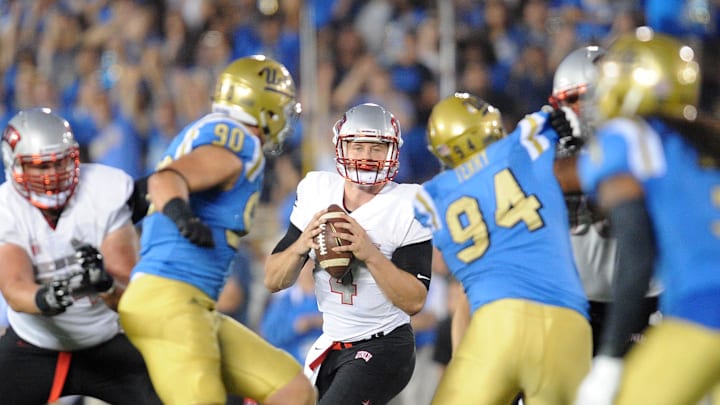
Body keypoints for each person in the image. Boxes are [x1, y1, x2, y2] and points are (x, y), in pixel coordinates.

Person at [117, 55, 316, 405]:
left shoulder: (210, 133)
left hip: (191, 303)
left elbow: (140, 193)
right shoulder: (239, 141)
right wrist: (183, 217)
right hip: (172, 299)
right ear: (264, 104)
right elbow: (166, 180)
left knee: (292, 389)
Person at [413, 93, 592, 404]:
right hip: (565, 320)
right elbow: (566, 125)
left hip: (495, 324)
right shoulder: (525, 145)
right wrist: (561, 122)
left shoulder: (431, 199)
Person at [573, 27, 720, 405]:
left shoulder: (627, 137)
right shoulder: (707, 138)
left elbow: (636, 256)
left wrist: (608, 356)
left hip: (703, 307)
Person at [264, 102, 433, 405]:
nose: (366, 157)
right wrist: (302, 243)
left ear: (392, 152)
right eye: (357, 147)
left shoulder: (408, 204)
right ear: (342, 147)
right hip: (332, 342)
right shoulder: (317, 190)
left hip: (385, 344)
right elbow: (272, 279)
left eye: (376, 148)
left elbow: (415, 300)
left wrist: (370, 254)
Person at [0, 108, 161, 404]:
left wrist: (106, 284)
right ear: (15, 166)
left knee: (174, 394)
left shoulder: (104, 190)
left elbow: (130, 292)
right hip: (33, 344)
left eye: (60, 162)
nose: (52, 175)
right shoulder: (7, 207)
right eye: (41, 166)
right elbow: (14, 287)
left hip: (105, 339)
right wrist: (49, 297)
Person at [550, 45, 661, 354]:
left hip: (644, 298)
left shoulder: (641, 142)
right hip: (574, 302)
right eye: (571, 101)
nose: (581, 110)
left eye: (587, 98)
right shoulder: (547, 152)